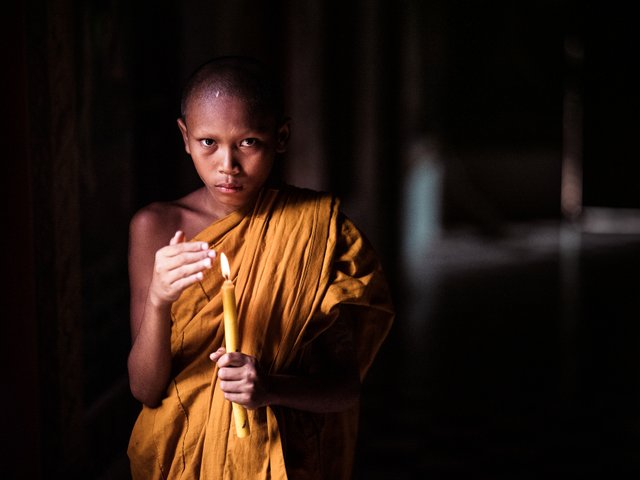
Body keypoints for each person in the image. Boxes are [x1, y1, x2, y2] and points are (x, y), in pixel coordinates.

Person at [126, 55, 394, 479]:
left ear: (281, 136)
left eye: (248, 142)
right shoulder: (156, 227)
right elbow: (145, 388)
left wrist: (269, 388)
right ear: (184, 137)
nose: (227, 165)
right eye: (207, 142)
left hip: (283, 459)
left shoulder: (317, 231)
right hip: (182, 457)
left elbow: (345, 388)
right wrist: (159, 300)